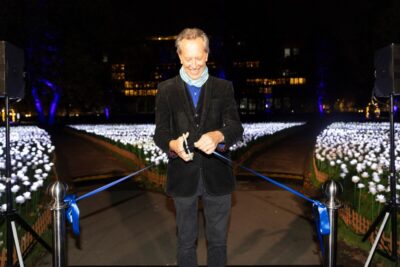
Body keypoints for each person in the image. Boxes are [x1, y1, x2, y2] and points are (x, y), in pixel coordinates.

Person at [154, 27, 243, 267]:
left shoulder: (223, 88)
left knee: (217, 243)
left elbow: (236, 127)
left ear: (206, 54)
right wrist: (172, 144)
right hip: (182, 177)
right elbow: (160, 133)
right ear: (180, 57)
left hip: (218, 177)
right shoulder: (166, 90)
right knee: (185, 242)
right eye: (188, 58)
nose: (193, 64)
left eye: (198, 57)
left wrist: (218, 135)